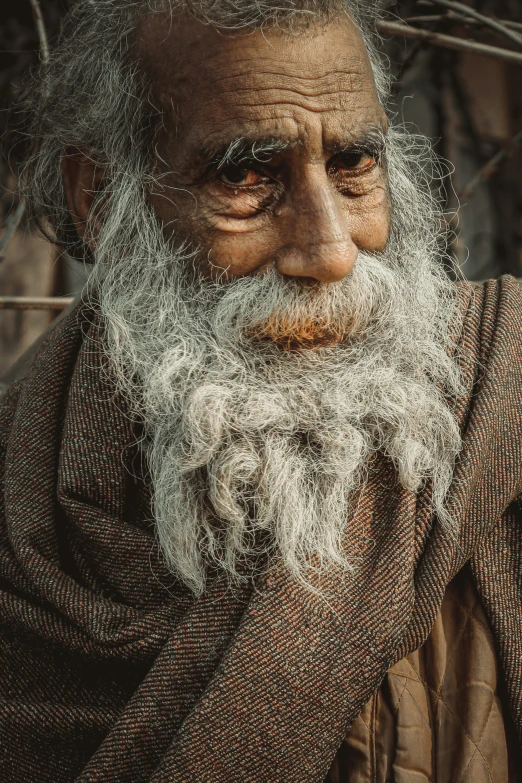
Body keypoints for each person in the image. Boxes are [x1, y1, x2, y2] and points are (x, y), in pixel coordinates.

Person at [1, 1, 521, 780]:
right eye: (247, 175)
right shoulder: (22, 503)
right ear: (102, 199)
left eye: (353, 164)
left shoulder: (503, 385)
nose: (331, 251)